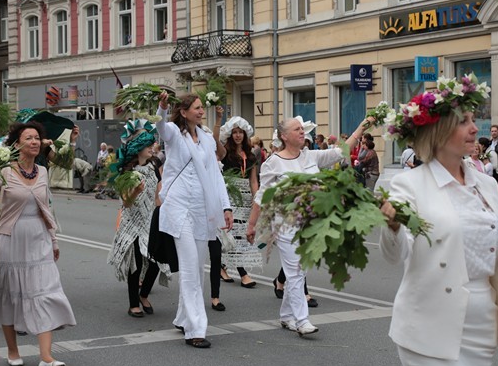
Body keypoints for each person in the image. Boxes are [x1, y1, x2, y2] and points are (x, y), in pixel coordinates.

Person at [379, 80, 498, 366]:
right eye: (465, 122)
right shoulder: (407, 184)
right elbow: (396, 255)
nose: (475, 129)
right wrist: (393, 226)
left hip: (480, 326)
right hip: (428, 326)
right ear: (439, 131)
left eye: (474, 120)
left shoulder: (485, 184)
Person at [246, 115, 372, 336]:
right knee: (295, 271)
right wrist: (252, 225)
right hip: (285, 224)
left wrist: (362, 126)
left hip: (310, 223)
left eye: (302, 129)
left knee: (299, 270)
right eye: (296, 129)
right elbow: (261, 197)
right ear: (284, 136)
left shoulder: (311, 156)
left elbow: (341, 151)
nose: (302, 132)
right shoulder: (273, 162)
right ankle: (302, 321)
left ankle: (286, 315)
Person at [0, 121, 75, 366]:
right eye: (28, 138)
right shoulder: (3, 171)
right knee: (8, 295)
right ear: (16, 144)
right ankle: (12, 350)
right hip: (10, 241)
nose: (35, 141)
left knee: (45, 292)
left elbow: (46, 209)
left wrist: (53, 240)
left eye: (37, 138)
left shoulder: (42, 172)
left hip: (38, 238)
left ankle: (46, 356)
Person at [156, 91, 233, 349]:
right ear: (185, 111)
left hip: (202, 208)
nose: (201, 111)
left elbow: (216, 176)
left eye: (202, 107)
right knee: (189, 265)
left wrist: (226, 206)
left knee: (197, 267)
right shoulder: (175, 135)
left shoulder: (209, 141)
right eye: (197, 108)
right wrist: (162, 108)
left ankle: (182, 317)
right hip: (179, 206)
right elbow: (160, 128)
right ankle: (195, 328)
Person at [107, 121, 170, 318]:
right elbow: (125, 202)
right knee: (136, 263)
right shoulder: (127, 172)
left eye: (153, 144)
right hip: (131, 223)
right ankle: (133, 304)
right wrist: (135, 191)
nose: (153, 148)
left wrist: (163, 212)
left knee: (155, 261)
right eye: (148, 145)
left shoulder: (153, 167)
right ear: (138, 149)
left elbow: (158, 194)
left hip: (150, 220)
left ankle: (144, 295)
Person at [216, 116, 261, 292]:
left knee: (241, 234)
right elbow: (215, 142)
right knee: (233, 232)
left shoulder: (250, 155)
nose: (237, 136)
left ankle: (221, 266)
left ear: (245, 134)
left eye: (240, 132)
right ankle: (243, 274)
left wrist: (256, 199)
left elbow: (253, 180)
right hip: (230, 196)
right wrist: (218, 121)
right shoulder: (225, 153)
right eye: (234, 132)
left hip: (245, 198)